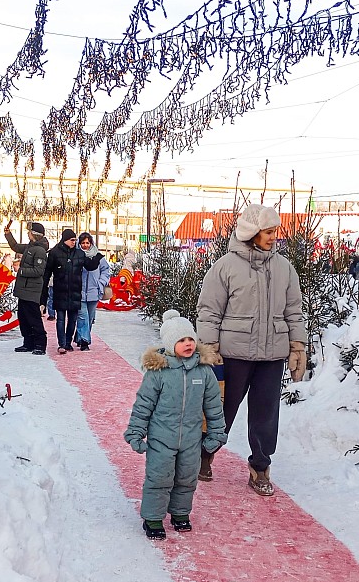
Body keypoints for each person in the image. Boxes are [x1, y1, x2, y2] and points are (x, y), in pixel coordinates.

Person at [196, 204, 307, 496]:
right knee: (221, 409)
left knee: (266, 414)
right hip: (232, 355)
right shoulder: (226, 267)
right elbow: (208, 311)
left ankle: (260, 466)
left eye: (275, 232)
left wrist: (297, 346)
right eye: (268, 232)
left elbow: (294, 311)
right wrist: (209, 349)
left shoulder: (284, 268)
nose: (273, 237)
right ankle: (205, 454)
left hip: (271, 356)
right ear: (252, 233)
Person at [124, 310, 227, 540]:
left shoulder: (204, 371)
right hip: (161, 437)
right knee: (159, 477)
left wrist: (216, 433)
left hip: (191, 438)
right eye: (181, 340)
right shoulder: (158, 372)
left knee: (186, 477)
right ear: (171, 344)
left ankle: (180, 513)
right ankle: (153, 517)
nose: (188, 344)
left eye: (190, 339)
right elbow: (144, 404)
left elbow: (213, 406)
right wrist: (136, 432)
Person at [41, 228, 103, 353]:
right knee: (61, 319)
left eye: (75, 240)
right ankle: (62, 344)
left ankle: (68, 343)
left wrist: (97, 257)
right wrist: (44, 290)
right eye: (72, 240)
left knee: (72, 320)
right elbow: (47, 272)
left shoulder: (79, 254)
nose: (74, 242)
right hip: (60, 291)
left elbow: (90, 266)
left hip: (75, 291)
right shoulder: (54, 253)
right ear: (65, 240)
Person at [4, 220, 49, 355]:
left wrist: (21, 270)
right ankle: (28, 343)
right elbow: (16, 247)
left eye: (29, 232)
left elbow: (39, 271)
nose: (28, 234)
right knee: (23, 317)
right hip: (24, 289)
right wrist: (8, 234)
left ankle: (40, 344)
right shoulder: (30, 247)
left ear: (35, 234)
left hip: (31, 290)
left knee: (33, 317)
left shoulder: (39, 251)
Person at [74, 232, 111, 351]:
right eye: (83, 243)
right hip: (79, 292)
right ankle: (85, 342)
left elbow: (106, 271)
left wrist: (101, 283)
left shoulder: (99, 257)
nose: (85, 245)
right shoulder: (76, 256)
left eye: (87, 243)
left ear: (91, 243)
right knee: (83, 317)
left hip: (94, 292)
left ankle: (80, 338)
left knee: (90, 318)